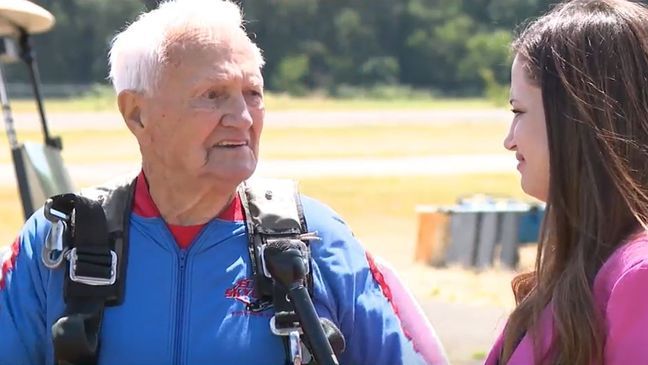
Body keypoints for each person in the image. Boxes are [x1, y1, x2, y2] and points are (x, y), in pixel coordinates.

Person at [0, 0, 447, 364]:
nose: (243, 118)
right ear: (137, 113)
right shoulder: (59, 243)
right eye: (212, 95)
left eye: (253, 94)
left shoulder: (317, 239)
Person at [486, 0, 648, 364]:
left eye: (518, 111)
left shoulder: (638, 279)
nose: (509, 139)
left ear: (577, 119)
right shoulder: (579, 270)